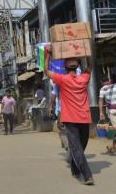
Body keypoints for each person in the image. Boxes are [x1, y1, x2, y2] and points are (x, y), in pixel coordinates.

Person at [44, 45, 94, 185]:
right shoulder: (80, 78)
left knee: (79, 147)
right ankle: (87, 175)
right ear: (77, 66)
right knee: (79, 147)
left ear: (66, 68)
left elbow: (46, 71)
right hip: (76, 119)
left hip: (79, 118)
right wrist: (87, 52)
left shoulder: (65, 79)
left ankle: (74, 167)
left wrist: (47, 54)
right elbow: (90, 65)